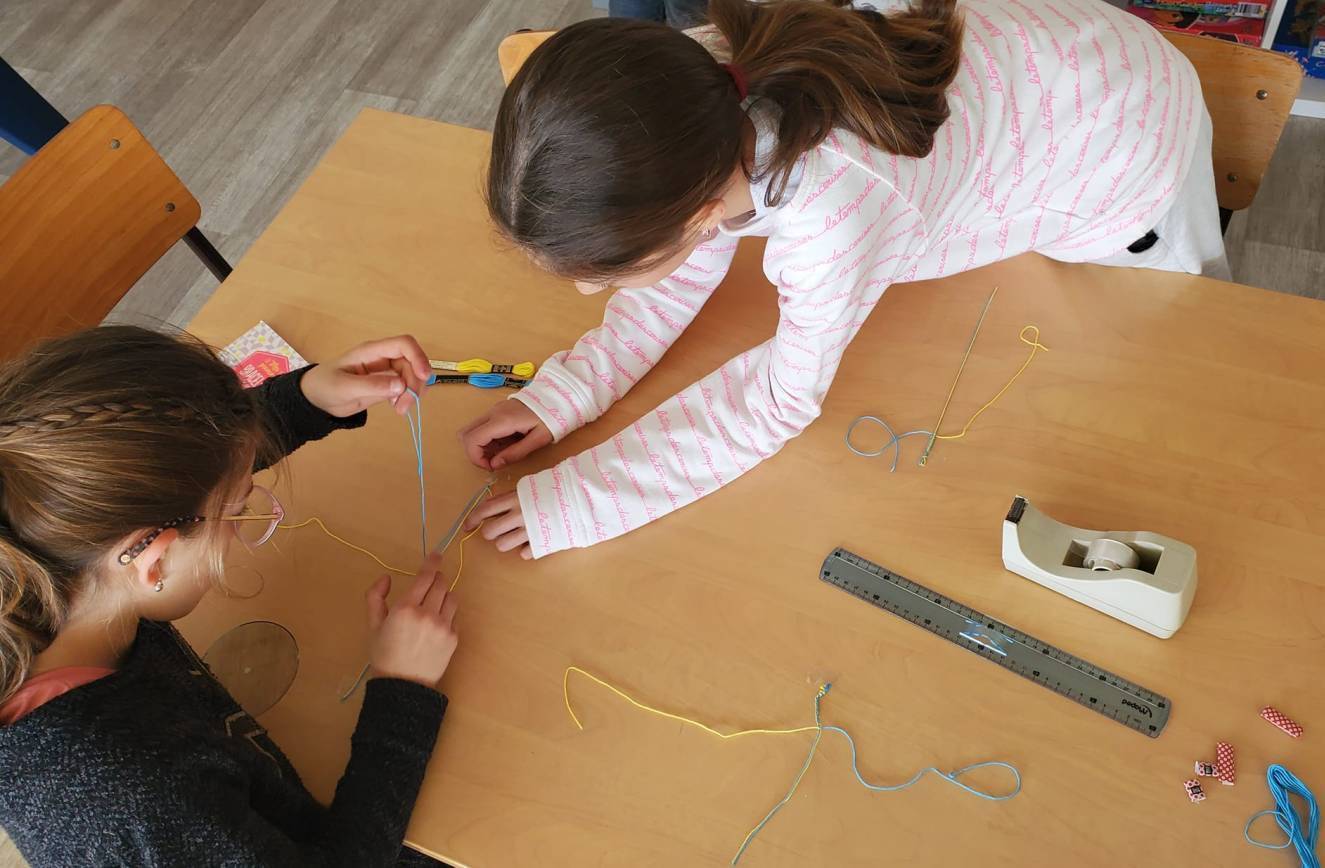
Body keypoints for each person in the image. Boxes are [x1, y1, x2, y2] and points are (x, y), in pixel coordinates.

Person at [463, 0, 1225, 559]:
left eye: (603, 277)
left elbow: (775, 402)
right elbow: (676, 256)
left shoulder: (830, 212)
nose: (588, 295)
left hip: (1129, 149)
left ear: (696, 214)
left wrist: (582, 502)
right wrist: (571, 392)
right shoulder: (697, 91)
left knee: (1177, 345)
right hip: (1074, 64)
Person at [0, 326, 459, 867]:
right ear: (155, 561)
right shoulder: (134, 794)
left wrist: (306, 397)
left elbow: (183, 467)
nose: (243, 521)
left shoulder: (42, 554)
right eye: (240, 507)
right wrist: (402, 692)